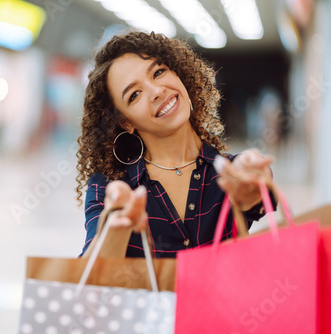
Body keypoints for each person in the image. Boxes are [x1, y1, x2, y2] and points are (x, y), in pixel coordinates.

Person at [76, 31, 273, 259]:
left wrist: (252, 184)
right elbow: (90, 277)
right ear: (125, 122)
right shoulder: (112, 187)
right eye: (135, 94)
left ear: (179, 75)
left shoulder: (230, 172)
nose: (157, 91)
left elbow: (255, 195)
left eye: (158, 72)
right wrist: (116, 227)